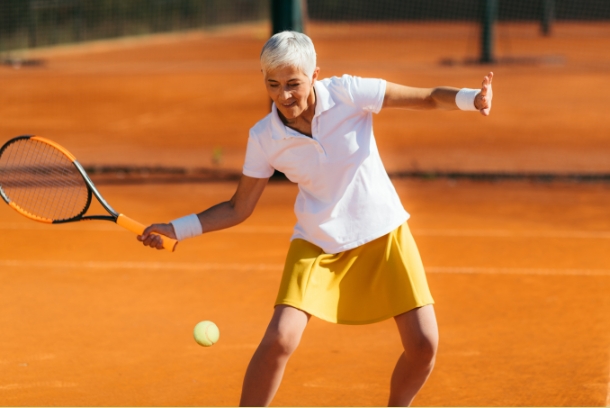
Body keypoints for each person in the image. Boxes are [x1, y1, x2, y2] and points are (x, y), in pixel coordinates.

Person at [138, 31, 493, 406]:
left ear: (315, 75)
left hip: (384, 232)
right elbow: (238, 207)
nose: (283, 95)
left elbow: (426, 98)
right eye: (272, 84)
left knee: (424, 346)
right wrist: (176, 229)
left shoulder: (348, 93)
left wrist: (473, 99)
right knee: (280, 339)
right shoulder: (264, 137)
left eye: (293, 84)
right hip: (317, 243)